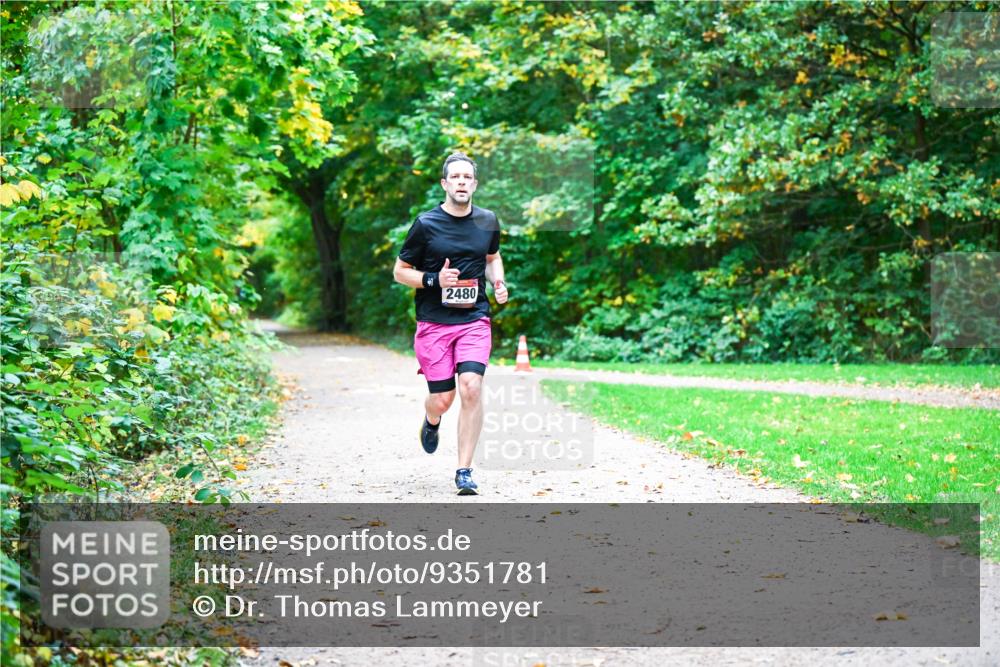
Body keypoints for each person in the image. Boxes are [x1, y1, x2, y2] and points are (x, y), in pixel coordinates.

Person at [392, 151, 508, 495]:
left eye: (466, 177)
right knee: (442, 399)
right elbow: (400, 272)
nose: (461, 182)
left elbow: (492, 257)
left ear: (474, 184)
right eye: (454, 177)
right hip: (434, 323)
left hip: (474, 319)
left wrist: (498, 281)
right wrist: (434, 280)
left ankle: (464, 470)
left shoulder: (488, 220)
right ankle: (431, 420)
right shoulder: (426, 224)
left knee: (471, 385)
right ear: (445, 184)